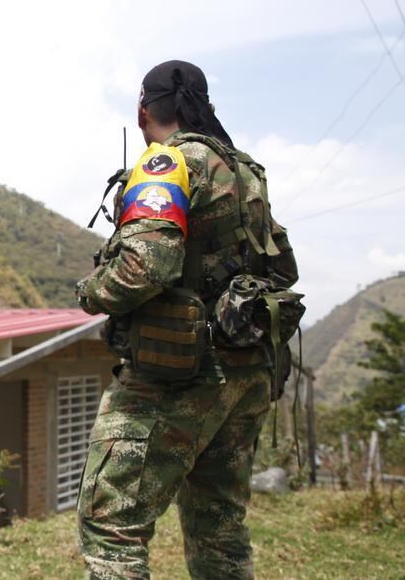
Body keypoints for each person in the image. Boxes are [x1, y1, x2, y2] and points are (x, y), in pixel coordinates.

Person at [75, 60, 300, 579]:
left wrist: (89, 291)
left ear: (143, 111)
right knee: (218, 527)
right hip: (246, 371)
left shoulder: (167, 163)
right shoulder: (243, 171)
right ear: (206, 107)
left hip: (177, 373)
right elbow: (281, 266)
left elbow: (143, 269)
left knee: (112, 524)